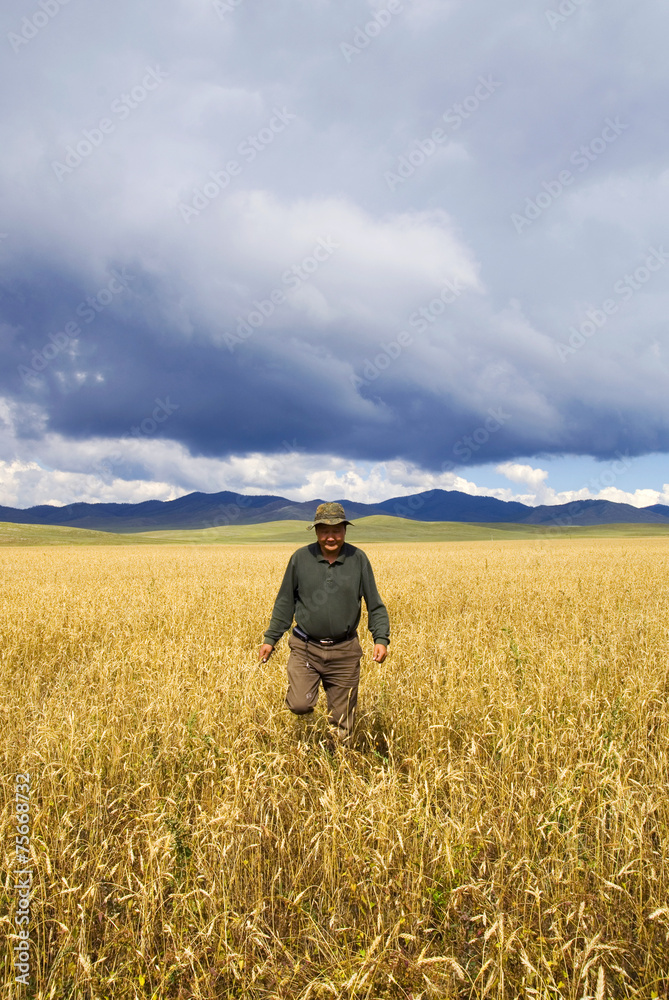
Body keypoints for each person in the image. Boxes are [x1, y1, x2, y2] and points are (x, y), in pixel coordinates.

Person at [258, 502, 389, 742]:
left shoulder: (358, 559)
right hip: (305, 648)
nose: (331, 536)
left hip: (345, 651)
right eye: (325, 530)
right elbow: (285, 602)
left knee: (342, 726)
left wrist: (380, 639)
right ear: (316, 531)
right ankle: (308, 736)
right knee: (299, 704)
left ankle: (335, 766)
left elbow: (375, 604)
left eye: (336, 530)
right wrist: (271, 639)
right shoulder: (300, 558)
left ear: (345, 531)